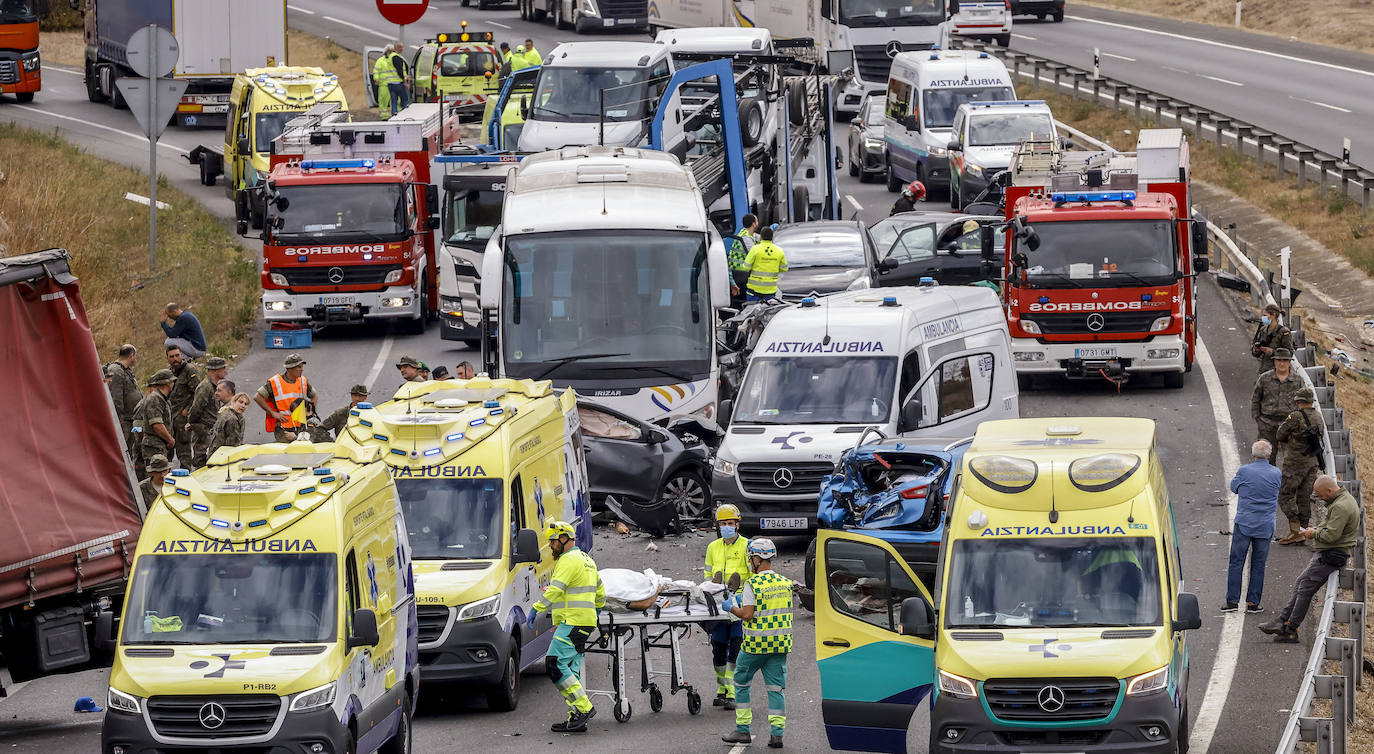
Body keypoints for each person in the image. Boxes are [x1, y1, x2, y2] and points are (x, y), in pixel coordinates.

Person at [1260, 475, 1361, 643]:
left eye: (1320, 495)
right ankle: (1283, 620)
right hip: (1330, 554)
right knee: (1301, 583)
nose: (1319, 499)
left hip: (1331, 555)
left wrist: (1312, 533)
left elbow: (1331, 535)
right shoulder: (1342, 500)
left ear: (1329, 490)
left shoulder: (1341, 506)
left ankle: (1290, 629)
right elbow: (1330, 527)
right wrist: (1316, 528)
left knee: (1305, 589)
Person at [527, 520, 605, 733]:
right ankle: (577, 717)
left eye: (553, 541)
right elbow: (600, 593)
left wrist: (536, 608)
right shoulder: (587, 560)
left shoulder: (568, 560)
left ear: (564, 539)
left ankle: (584, 708)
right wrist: (594, 611)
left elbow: (555, 590)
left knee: (553, 663)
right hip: (581, 621)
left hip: (574, 621)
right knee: (570, 669)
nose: (551, 546)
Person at [720, 537, 790, 749]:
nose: (750, 562)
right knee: (776, 689)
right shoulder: (785, 583)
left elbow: (747, 615)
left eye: (751, 558)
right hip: (779, 646)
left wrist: (731, 607)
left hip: (755, 647)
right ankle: (777, 735)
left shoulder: (753, 584)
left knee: (741, 684)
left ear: (757, 559)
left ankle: (743, 730)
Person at [1225, 439, 1282, 613]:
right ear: (1269, 455)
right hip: (1265, 525)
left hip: (1245, 523)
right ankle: (1253, 603)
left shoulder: (1244, 471)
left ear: (1253, 454)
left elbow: (1233, 488)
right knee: (1258, 564)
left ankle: (1232, 602)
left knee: (1237, 562)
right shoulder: (1276, 473)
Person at [704, 504, 750, 711]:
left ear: (737, 525)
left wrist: (741, 596)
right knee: (718, 646)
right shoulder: (713, 548)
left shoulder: (747, 547)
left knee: (736, 645)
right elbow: (706, 578)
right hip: (718, 605)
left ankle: (731, 691)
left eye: (730, 523)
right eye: (723, 524)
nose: (726, 527)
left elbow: (753, 577)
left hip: (739, 604)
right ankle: (722, 689)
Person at [1274, 387, 1324, 545]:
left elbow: (1280, 434)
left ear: (1299, 402)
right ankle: (1303, 530)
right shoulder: (1318, 416)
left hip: (1294, 464)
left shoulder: (1295, 417)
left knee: (1285, 495)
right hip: (1312, 463)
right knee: (1304, 497)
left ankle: (1295, 530)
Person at [1250, 348, 1299, 465]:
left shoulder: (1298, 381)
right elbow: (1255, 399)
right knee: (1265, 460)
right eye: (1278, 360)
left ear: (1289, 362)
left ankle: (1284, 483)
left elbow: (1303, 404)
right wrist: (1258, 419)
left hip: (1289, 426)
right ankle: (1267, 482)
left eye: (1285, 360)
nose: (1281, 363)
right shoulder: (1264, 378)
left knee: (1290, 461)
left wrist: (1297, 424)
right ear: (1274, 361)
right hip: (1267, 425)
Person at [254, 353, 317, 442]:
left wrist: (310, 412)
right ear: (289, 368)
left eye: (302, 366)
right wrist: (273, 413)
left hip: (301, 425)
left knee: (302, 448)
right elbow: (257, 397)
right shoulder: (275, 382)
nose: (302, 369)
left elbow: (314, 395)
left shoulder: (303, 381)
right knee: (287, 451)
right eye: (298, 367)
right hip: (283, 426)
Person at [131, 370, 176, 478]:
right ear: (168, 383)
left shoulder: (163, 400)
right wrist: (170, 439)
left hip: (159, 444)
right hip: (153, 445)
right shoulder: (154, 399)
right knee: (154, 477)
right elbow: (153, 425)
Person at [186, 357, 229, 468]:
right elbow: (195, 411)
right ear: (215, 370)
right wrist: (197, 427)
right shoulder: (205, 387)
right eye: (223, 368)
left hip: (211, 434)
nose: (226, 370)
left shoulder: (215, 387)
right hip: (203, 435)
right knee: (202, 466)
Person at [165, 345, 201, 468]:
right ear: (167, 358)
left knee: (184, 452)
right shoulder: (169, 373)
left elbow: (198, 393)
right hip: (170, 417)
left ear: (181, 355)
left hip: (182, 417)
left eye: (177, 355)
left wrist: (188, 410)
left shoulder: (190, 370)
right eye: (171, 356)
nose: (175, 359)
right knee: (167, 450)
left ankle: (185, 477)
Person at [740, 226, 788, 302]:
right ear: (772, 238)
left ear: (761, 237)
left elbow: (746, 267)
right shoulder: (779, 251)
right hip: (771, 292)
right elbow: (784, 268)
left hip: (754, 291)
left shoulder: (755, 249)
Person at [107, 344, 140, 449]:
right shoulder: (116, 370)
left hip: (132, 418)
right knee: (125, 448)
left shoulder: (126, 370)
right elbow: (116, 397)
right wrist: (118, 420)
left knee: (134, 448)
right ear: (131, 355)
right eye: (135, 356)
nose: (135, 359)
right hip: (124, 420)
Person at [206, 392, 251, 460]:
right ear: (234, 401)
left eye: (246, 404)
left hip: (214, 453)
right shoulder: (232, 419)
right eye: (240, 402)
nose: (243, 405)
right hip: (222, 457)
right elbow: (233, 445)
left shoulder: (226, 412)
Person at [728, 214, 760, 305]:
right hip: (742, 277)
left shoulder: (746, 234)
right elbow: (756, 255)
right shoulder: (746, 239)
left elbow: (760, 238)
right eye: (756, 221)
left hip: (740, 275)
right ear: (753, 224)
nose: (758, 223)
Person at [1251, 303, 1293, 374]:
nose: (1263, 318)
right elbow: (1256, 354)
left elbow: (1290, 353)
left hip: (1279, 371)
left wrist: (1272, 352)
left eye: (1265, 315)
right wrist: (1257, 349)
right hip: (1264, 370)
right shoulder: (1263, 330)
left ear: (1273, 315)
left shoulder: (1284, 332)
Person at [373, 44, 404, 119]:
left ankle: (397, 115)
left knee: (396, 101)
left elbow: (401, 70)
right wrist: (376, 78)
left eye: (392, 51)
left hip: (395, 84)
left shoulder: (396, 59)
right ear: (386, 52)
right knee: (383, 101)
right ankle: (384, 117)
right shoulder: (380, 61)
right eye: (389, 51)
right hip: (384, 85)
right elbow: (376, 71)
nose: (390, 52)